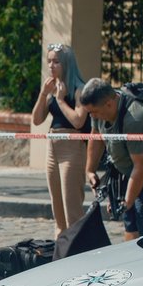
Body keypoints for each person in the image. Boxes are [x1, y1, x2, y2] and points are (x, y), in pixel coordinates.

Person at [80, 77, 143, 241]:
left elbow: (141, 166)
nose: (92, 116)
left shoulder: (135, 119)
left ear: (109, 103)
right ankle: (131, 257)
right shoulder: (97, 109)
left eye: (94, 112)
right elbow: (96, 137)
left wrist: (127, 202)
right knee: (130, 220)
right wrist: (90, 170)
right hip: (131, 162)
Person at [32, 43, 90, 239]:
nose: (51, 66)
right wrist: (43, 94)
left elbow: (78, 121)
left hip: (72, 148)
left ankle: (77, 245)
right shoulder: (53, 90)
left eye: (56, 62)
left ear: (66, 64)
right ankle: (61, 243)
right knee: (57, 205)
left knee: (71, 204)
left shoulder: (79, 90)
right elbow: (37, 119)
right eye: (49, 61)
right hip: (53, 145)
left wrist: (61, 100)